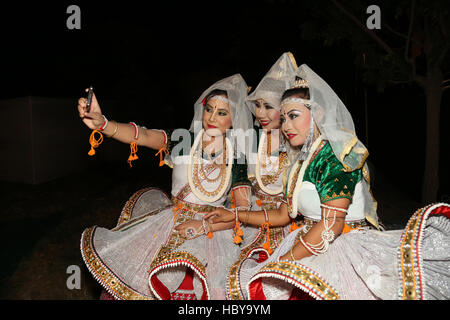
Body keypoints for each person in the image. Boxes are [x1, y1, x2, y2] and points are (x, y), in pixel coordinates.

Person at [205, 64, 450, 300]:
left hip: (345, 250)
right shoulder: (301, 160)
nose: (287, 126)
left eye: (294, 116)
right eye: (285, 118)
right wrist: (236, 215)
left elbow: (332, 224)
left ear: (318, 113)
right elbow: (282, 215)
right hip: (312, 240)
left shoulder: (336, 155)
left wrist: (283, 263)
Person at [77, 74, 254, 300]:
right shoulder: (185, 140)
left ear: (234, 119)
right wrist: (103, 123)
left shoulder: (237, 158)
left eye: (222, 113)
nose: (212, 117)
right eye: (209, 109)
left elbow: (242, 211)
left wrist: (204, 226)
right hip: (167, 228)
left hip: (212, 237)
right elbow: (144, 135)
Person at [224, 52, 298, 300]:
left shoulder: (299, 145)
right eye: (257, 105)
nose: (261, 113)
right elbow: (240, 180)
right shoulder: (250, 142)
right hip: (249, 223)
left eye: (269, 106)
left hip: (290, 227)